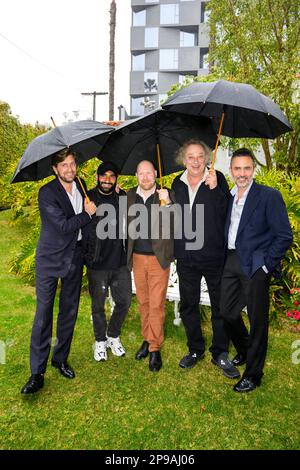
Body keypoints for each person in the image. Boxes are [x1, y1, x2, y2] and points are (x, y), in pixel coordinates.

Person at [21, 149, 96, 394]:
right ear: (55, 169)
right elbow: (64, 226)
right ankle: (37, 372)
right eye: (64, 165)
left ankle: (60, 358)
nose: (70, 169)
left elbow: (91, 216)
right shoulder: (47, 193)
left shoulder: (82, 186)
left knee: (69, 311)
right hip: (50, 260)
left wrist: (95, 205)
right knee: (43, 315)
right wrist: (87, 214)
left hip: (75, 258)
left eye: (72, 164)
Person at [220, 148, 293, 392]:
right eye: (237, 168)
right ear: (231, 170)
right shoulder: (229, 195)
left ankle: (254, 374)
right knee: (227, 313)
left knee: (257, 320)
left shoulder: (268, 196)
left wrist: (265, 265)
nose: (242, 173)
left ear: (254, 170)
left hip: (255, 266)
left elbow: (284, 236)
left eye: (247, 168)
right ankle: (244, 348)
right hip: (230, 260)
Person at [171, 139, 240, 379]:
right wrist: (166, 202)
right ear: (184, 159)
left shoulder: (216, 179)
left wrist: (216, 190)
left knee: (220, 305)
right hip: (186, 256)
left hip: (212, 255)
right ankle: (195, 349)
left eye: (200, 156)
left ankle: (220, 352)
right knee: (189, 304)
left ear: (207, 158)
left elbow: (227, 212)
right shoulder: (176, 184)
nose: (196, 161)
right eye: (191, 156)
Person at [127, 160, 174, 372]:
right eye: (141, 173)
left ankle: (154, 348)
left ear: (155, 173)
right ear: (136, 175)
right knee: (144, 302)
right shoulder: (128, 196)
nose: (145, 177)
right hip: (137, 257)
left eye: (149, 173)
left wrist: (170, 203)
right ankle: (147, 338)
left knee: (156, 303)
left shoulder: (166, 194)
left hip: (158, 258)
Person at [83, 161, 131, 362]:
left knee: (124, 302)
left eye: (112, 176)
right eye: (104, 176)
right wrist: (86, 212)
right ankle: (100, 341)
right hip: (97, 264)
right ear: (97, 177)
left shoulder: (122, 197)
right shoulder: (88, 199)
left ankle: (113, 335)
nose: (107, 180)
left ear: (116, 180)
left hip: (120, 264)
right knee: (97, 306)